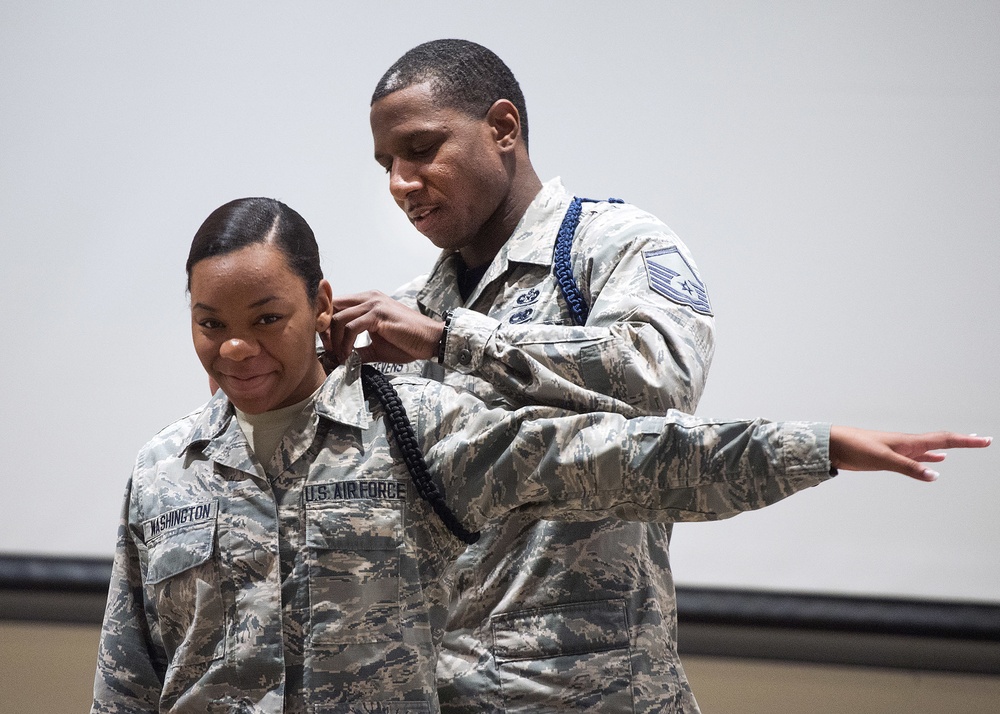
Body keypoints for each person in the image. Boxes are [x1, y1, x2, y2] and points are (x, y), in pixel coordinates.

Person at [92, 196, 989, 714]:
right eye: (210, 326)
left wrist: (817, 446)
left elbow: (623, 461)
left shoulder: (410, 429)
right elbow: (126, 674)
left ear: (320, 303)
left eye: (266, 321)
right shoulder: (163, 470)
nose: (237, 351)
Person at [324, 39, 714, 712]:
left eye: (420, 149)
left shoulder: (610, 245)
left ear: (503, 128)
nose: (399, 183)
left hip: (595, 695)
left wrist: (453, 341)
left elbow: (662, 373)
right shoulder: (412, 308)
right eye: (387, 164)